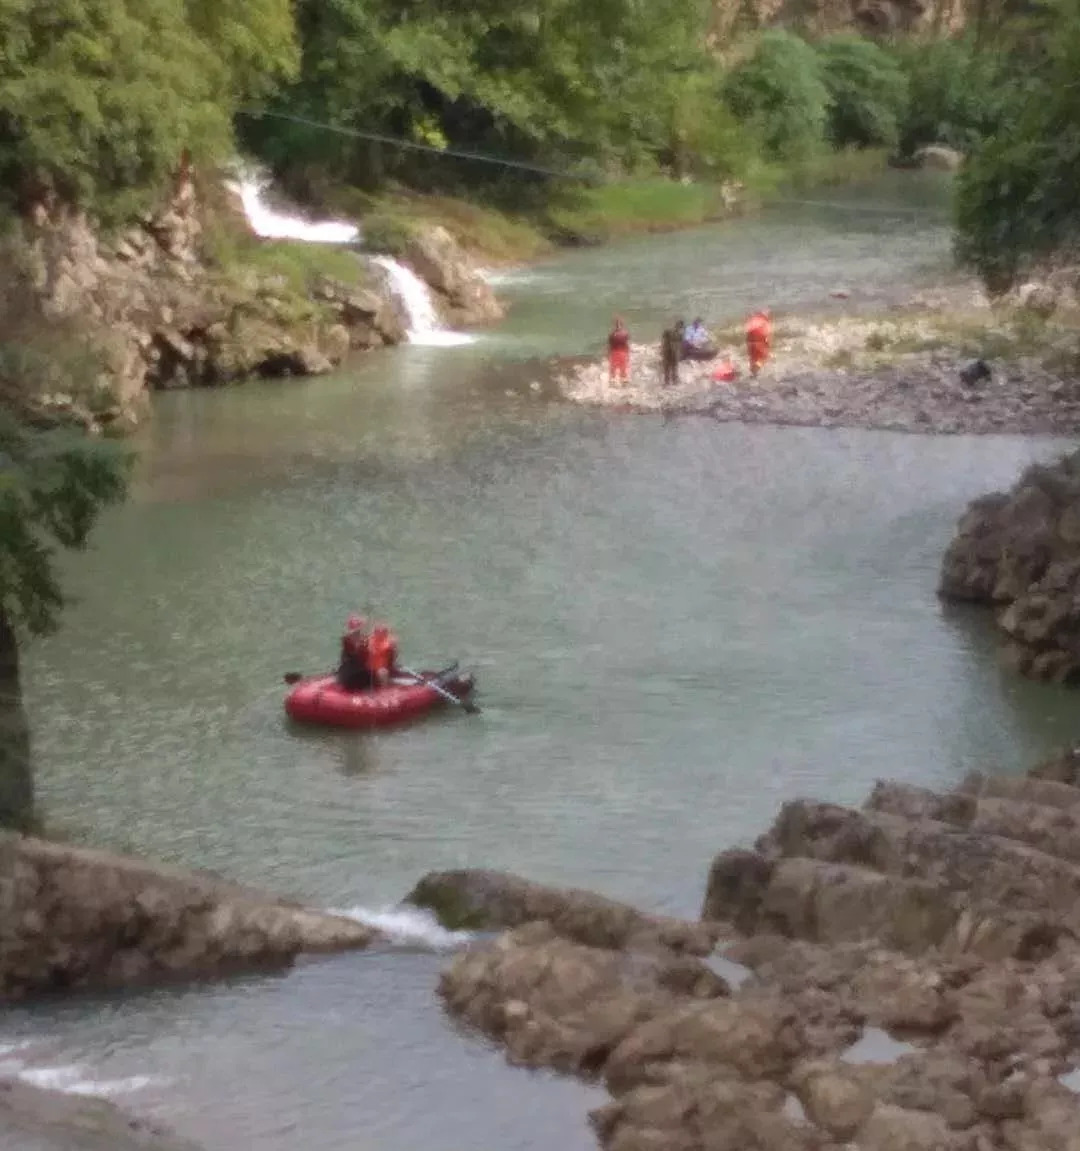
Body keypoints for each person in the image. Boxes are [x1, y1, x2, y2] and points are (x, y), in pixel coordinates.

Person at [337, 614, 372, 691]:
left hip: (357, 672)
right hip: (351, 674)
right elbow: (357, 654)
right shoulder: (348, 641)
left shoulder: (363, 640)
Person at [366, 623, 400, 688]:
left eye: (382, 632)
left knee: (382, 672)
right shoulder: (370, 641)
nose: (380, 634)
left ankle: (384, 689)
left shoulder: (389, 642)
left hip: (382, 667)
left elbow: (394, 655)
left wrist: (394, 647)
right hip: (370, 668)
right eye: (377, 632)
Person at [745, 308, 772, 377]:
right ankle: (754, 371)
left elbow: (747, 331)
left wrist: (748, 343)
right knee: (764, 358)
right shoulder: (765, 322)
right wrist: (768, 345)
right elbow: (767, 335)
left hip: (750, 342)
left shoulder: (752, 320)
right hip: (759, 342)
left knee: (753, 359)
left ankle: (753, 374)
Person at [660, 320, 684, 387]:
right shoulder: (678, 334)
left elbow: (663, 341)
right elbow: (680, 345)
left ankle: (668, 382)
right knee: (672, 367)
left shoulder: (669, 331)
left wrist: (662, 350)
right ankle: (673, 381)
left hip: (669, 352)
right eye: (681, 328)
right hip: (672, 352)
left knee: (669, 367)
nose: (680, 329)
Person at [607, 316, 631, 385]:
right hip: (622, 353)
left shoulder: (612, 335)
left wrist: (608, 355)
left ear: (615, 325)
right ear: (622, 325)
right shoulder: (625, 334)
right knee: (623, 371)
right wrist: (628, 354)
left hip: (614, 353)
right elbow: (627, 345)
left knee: (613, 371)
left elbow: (609, 346)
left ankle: (613, 384)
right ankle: (624, 384)